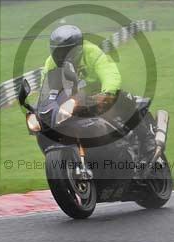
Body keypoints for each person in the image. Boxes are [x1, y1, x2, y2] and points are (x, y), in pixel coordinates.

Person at [43, 25, 155, 160]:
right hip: (72, 100)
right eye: (59, 52)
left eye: (66, 51)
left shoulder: (92, 52)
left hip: (98, 94)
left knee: (121, 98)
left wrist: (107, 93)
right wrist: (45, 105)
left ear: (78, 48)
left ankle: (147, 139)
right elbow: (47, 89)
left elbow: (110, 73)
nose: (62, 56)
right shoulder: (50, 63)